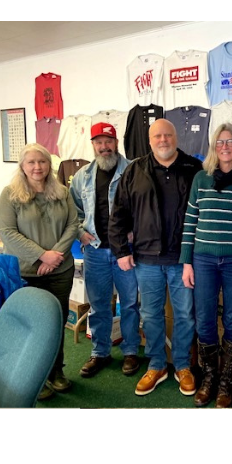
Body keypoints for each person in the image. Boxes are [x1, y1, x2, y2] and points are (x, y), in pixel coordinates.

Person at [109, 118, 202, 397]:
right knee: (151, 315)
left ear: (176, 137)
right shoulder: (134, 170)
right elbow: (119, 213)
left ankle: (183, 365)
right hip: (146, 260)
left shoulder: (194, 169)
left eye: (168, 135)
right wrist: (121, 250)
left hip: (182, 259)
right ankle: (157, 364)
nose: (163, 140)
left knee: (185, 314)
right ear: (150, 141)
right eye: (157, 136)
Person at [180, 123, 232, 409]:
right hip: (203, 260)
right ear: (214, 147)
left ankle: (226, 381)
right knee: (204, 319)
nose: (225, 146)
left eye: (231, 141)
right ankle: (209, 377)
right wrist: (186, 262)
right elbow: (190, 222)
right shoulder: (201, 179)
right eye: (220, 142)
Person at [0, 143, 79, 401]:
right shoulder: (10, 195)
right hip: (26, 273)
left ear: (49, 165)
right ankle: (34, 377)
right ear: (22, 166)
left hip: (59, 270)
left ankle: (56, 372)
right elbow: (7, 232)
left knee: (56, 320)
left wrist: (54, 257)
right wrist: (41, 255)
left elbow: (73, 224)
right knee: (31, 325)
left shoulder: (62, 192)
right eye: (31, 162)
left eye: (42, 162)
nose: (37, 167)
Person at [69, 123, 141, 380]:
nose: (104, 146)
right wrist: (80, 232)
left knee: (130, 304)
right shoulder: (82, 176)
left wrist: (136, 231)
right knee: (99, 305)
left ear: (116, 142)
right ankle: (100, 352)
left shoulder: (134, 170)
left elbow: (144, 209)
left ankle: (131, 351)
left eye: (108, 141)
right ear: (93, 145)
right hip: (96, 251)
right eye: (99, 142)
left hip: (127, 251)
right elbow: (73, 212)